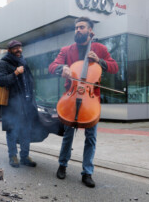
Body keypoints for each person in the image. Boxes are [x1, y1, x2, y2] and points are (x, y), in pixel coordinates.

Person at [48, 16, 119, 188]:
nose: (78, 30)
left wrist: (100, 61)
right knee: (68, 135)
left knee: (91, 138)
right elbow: (52, 66)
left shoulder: (99, 48)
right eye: (76, 28)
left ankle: (87, 172)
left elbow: (114, 67)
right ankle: (62, 165)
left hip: (90, 99)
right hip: (71, 97)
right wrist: (61, 68)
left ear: (90, 31)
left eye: (81, 27)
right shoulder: (67, 50)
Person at [0, 40, 38, 168]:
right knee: (12, 131)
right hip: (12, 105)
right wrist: (15, 73)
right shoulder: (3, 63)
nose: (19, 50)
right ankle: (13, 156)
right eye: (15, 48)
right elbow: (2, 81)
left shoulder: (23, 62)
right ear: (9, 50)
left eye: (20, 47)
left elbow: (30, 81)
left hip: (26, 103)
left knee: (26, 131)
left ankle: (24, 156)